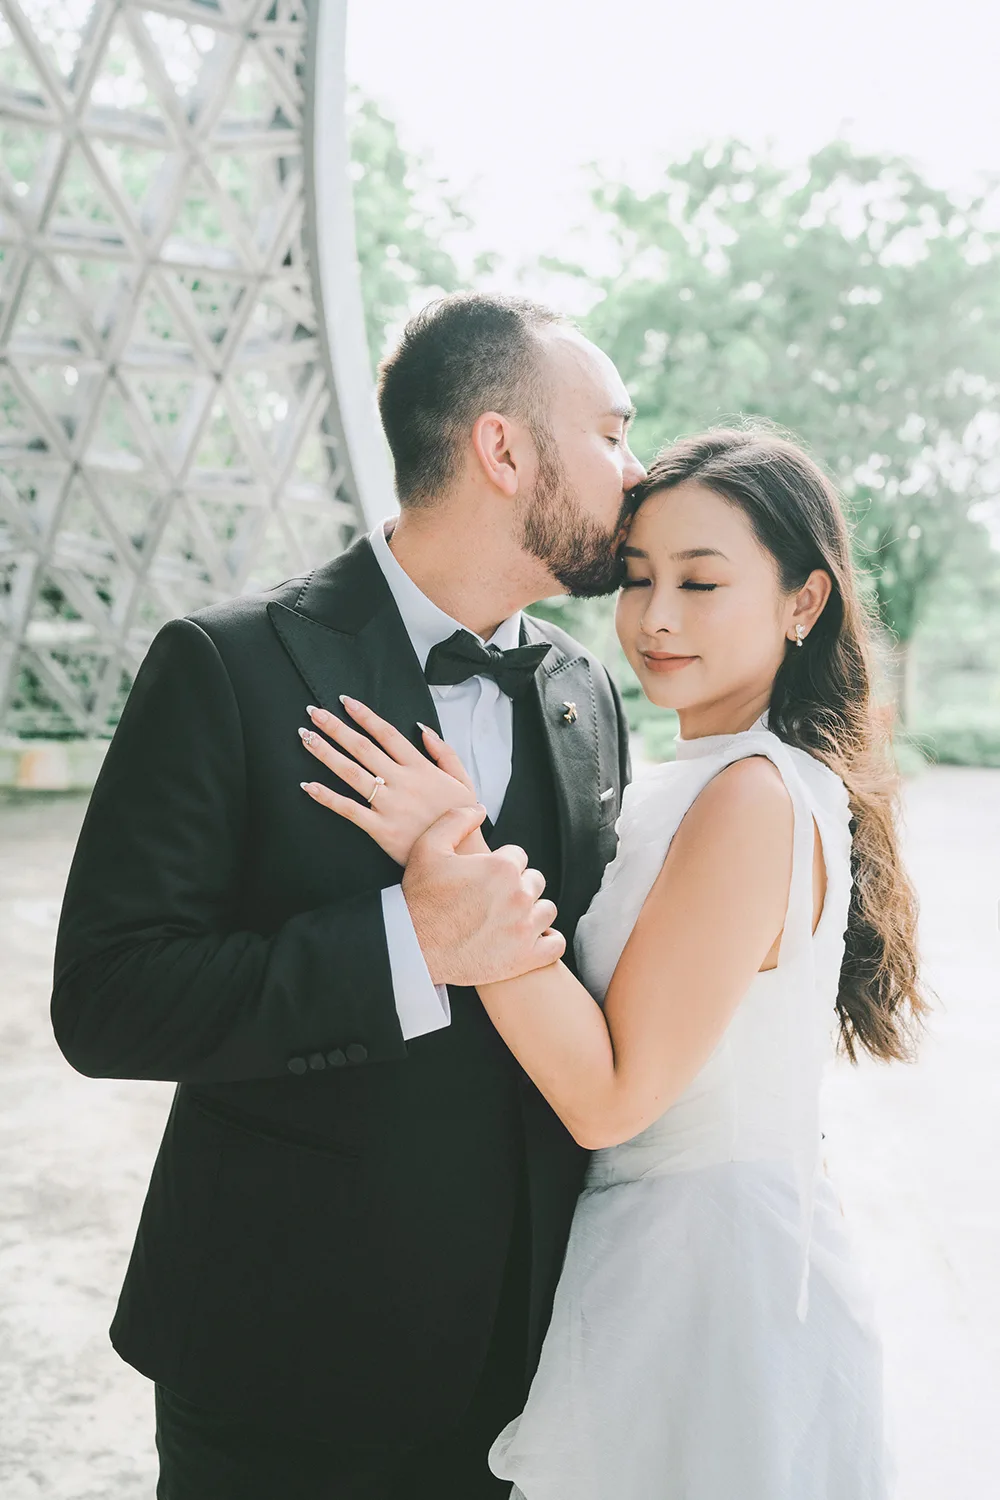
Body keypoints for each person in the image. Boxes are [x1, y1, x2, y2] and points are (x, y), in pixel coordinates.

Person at [50, 293, 646, 1498]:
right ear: (503, 449)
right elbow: (108, 1001)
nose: (637, 471)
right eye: (614, 432)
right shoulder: (227, 666)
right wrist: (407, 940)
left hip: (530, 1372)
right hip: (284, 1364)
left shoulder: (584, 689)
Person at [307, 426, 928, 1499]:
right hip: (675, 1250)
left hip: (699, 1285)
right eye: (637, 579)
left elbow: (609, 1097)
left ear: (802, 603)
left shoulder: (750, 796)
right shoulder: (704, 778)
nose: (656, 618)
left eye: (701, 581)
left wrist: (455, 859)